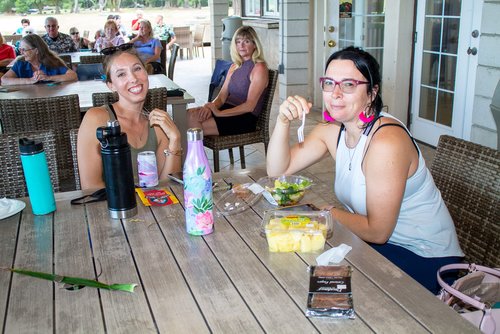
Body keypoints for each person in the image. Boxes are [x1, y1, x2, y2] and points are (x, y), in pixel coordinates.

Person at [266, 46, 464, 294]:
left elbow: (378, 231)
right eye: (329, 83)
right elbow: (278, 171)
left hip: (424, 258)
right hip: (376, 245)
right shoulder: (332, 131)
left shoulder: (386, 142)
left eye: (348, 85)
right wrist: (282, 121)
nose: (335, 94)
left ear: (372, 93)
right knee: (304, 267)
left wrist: (329, 212)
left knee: (326, 285)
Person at [77, 46, 181, 190]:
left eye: (137, 69)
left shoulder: (157, 124)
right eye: (121, 74)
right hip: (111, 209)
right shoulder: (97, 119)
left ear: (146, 72)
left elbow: (168, 185)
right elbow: (90, 188)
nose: (133, 78)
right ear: (111, 85)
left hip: (153, 209)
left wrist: (175, 140)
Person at [186, 26, 268, 136]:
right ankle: (195, 151)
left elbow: (250, 106)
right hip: (227, 110)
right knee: (188, 115)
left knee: (191, 128)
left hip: (244, 117)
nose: (241, 46)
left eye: (246, 41)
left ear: (254, 45)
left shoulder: (259, 68)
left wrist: (219, 113)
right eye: (238, 42)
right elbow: (222, 96)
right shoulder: (234, 66)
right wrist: (210, 107)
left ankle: (195, 152)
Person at [1, 34, 77, 85]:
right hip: (26, 102)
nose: (21, 53)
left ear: (36, 50)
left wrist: (48, 78)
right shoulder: (20, 63)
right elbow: (4, 79)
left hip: (51, 101)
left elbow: (73, 76)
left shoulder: (52, 62)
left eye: (24, 50)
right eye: (20, 49)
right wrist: (29, 80)